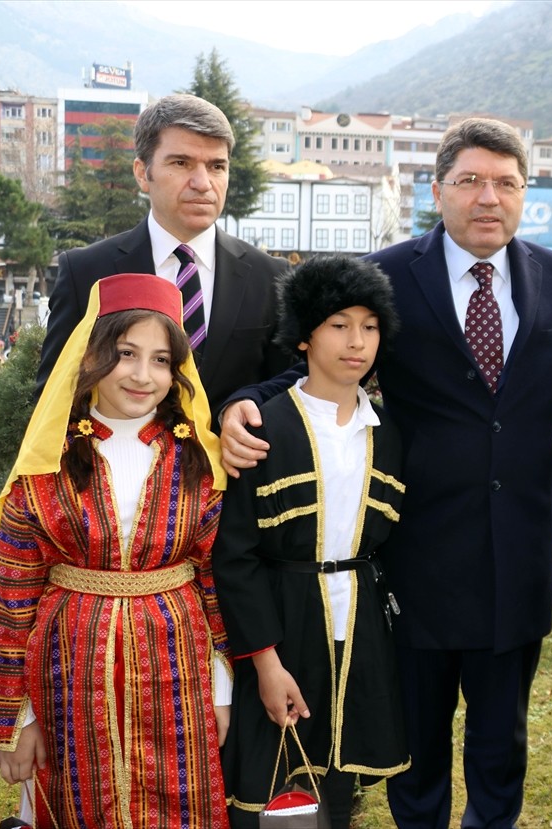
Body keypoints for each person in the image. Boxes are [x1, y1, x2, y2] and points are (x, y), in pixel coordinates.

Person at [220, 117, 552, 829]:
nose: (488, 196)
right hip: (415, 561)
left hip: (518, 556)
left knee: (502, 747)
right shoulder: (392, 273)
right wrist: (243, 404)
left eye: (505, 182)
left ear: (525, 193)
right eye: (470, 181)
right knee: (419, 748)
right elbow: (311, 362)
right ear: (438, 190)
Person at [0, 273, 231, 827]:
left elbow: (217, 584)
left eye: (161, 359)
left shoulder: (200, 464)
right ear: (94, 354)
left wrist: (222, 690)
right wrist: (17, 716)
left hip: (179, 672)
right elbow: (13, 600)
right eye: (126, 353)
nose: (143, 375)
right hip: (65, 677)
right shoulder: (48, 464)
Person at [213, 255, 408, 828]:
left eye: (370, 326)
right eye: (339, 324)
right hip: (283, 623)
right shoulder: (264, 427)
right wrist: (266, 663)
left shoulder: (386, 430)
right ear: (303, 337)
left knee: (337, 785)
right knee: (269, 786)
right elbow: (236, 557)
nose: (357, 341)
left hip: (360, 629)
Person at [36, 93, 290, 419]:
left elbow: (287, 393)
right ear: (143, 173)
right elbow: (54, 399)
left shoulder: (269, 276)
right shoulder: (86, 272)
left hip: (233, 468)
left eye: (216, 166)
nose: (202, 183)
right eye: (181, 163)